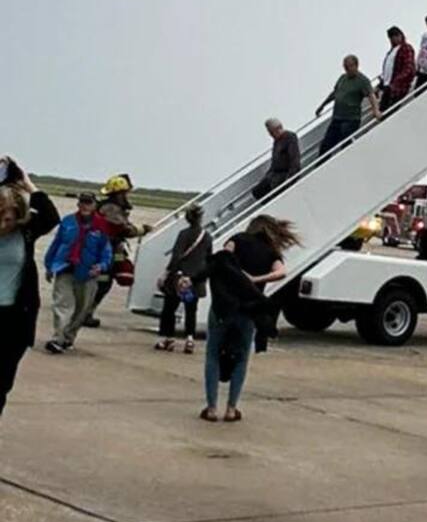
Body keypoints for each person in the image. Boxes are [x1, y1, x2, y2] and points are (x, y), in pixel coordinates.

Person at [187, 215, 299, 422]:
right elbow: (281, 272)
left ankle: (211, 408)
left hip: (224, 307)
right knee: (242, 357)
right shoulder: (271, 252)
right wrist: (256, 279)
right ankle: (231, 409)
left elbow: (222, 260)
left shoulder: (237, 240)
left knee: (212, 354)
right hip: (249, 309)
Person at [0, 163, 60, 415]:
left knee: (0, 386)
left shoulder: (24, 233)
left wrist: (27, 184)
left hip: (13, 319)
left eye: (9, 219)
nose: (3, 224)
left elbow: (50, 216)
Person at [43, 191, 111, 353]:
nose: (84, 206)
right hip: (65, 268)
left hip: (87, 273)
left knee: (81, 309)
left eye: (88, 203)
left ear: (95, 205)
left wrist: (102, 266)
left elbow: (106, 250)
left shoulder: (101, 226)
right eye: (82, 202)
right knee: (62, 305)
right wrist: (49, 265)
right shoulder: (67, 222)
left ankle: (68, 337)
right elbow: (56, 244)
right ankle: (57, 338)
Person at [87, 174, 152, 326]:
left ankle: (86, 311)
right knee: (102, 282)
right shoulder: (111, 209)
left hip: (110, 250)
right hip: (104, 251)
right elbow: (122, 229)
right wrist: (142, 230)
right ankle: (85, 313)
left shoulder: (112, 208)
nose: (127, 196)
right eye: (126, 193)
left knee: (116, 276)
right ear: (119, 193)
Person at [154, 205, 211, 354]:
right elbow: (208, 258)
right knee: (191, 310)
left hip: (179, 280)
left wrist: (166, 273)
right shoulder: (207, 236)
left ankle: (169, 338)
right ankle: (190, 340)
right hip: (195, 280)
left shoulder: (183, 234)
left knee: (169, 309)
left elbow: (176, 257)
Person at [316, 55, 381, 156]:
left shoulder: (362, 80)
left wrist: (375, 110)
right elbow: (335, 93)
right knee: (326, 144)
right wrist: (322, 105)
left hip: (351, 119)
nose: (346, 69)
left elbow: (371, 95)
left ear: (356, 65)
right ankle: (321, 166)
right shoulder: (342, 78)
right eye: (345, 67)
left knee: (345, 139)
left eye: (349, 66)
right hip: (337, 118)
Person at [251, 119, 301, 200]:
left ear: (278, 128)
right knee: (257, 191)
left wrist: (290, 179)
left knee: (271, 187)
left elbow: (295, 160)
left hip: (284, 174)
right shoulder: (277, 142)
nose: (271, 135)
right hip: (274, 175)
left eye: (271, 132)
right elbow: (274, 163)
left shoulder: (289, 137)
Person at [379, 26, 415, 112]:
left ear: (400, 36)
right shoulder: (391, 52)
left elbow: (409, 67)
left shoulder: (405, 48)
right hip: (388, 86)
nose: (393, 39)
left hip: (398, 87)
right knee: (383, 111)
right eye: (391, 37)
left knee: (391, 111)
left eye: (395, 36)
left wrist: (397, 81)